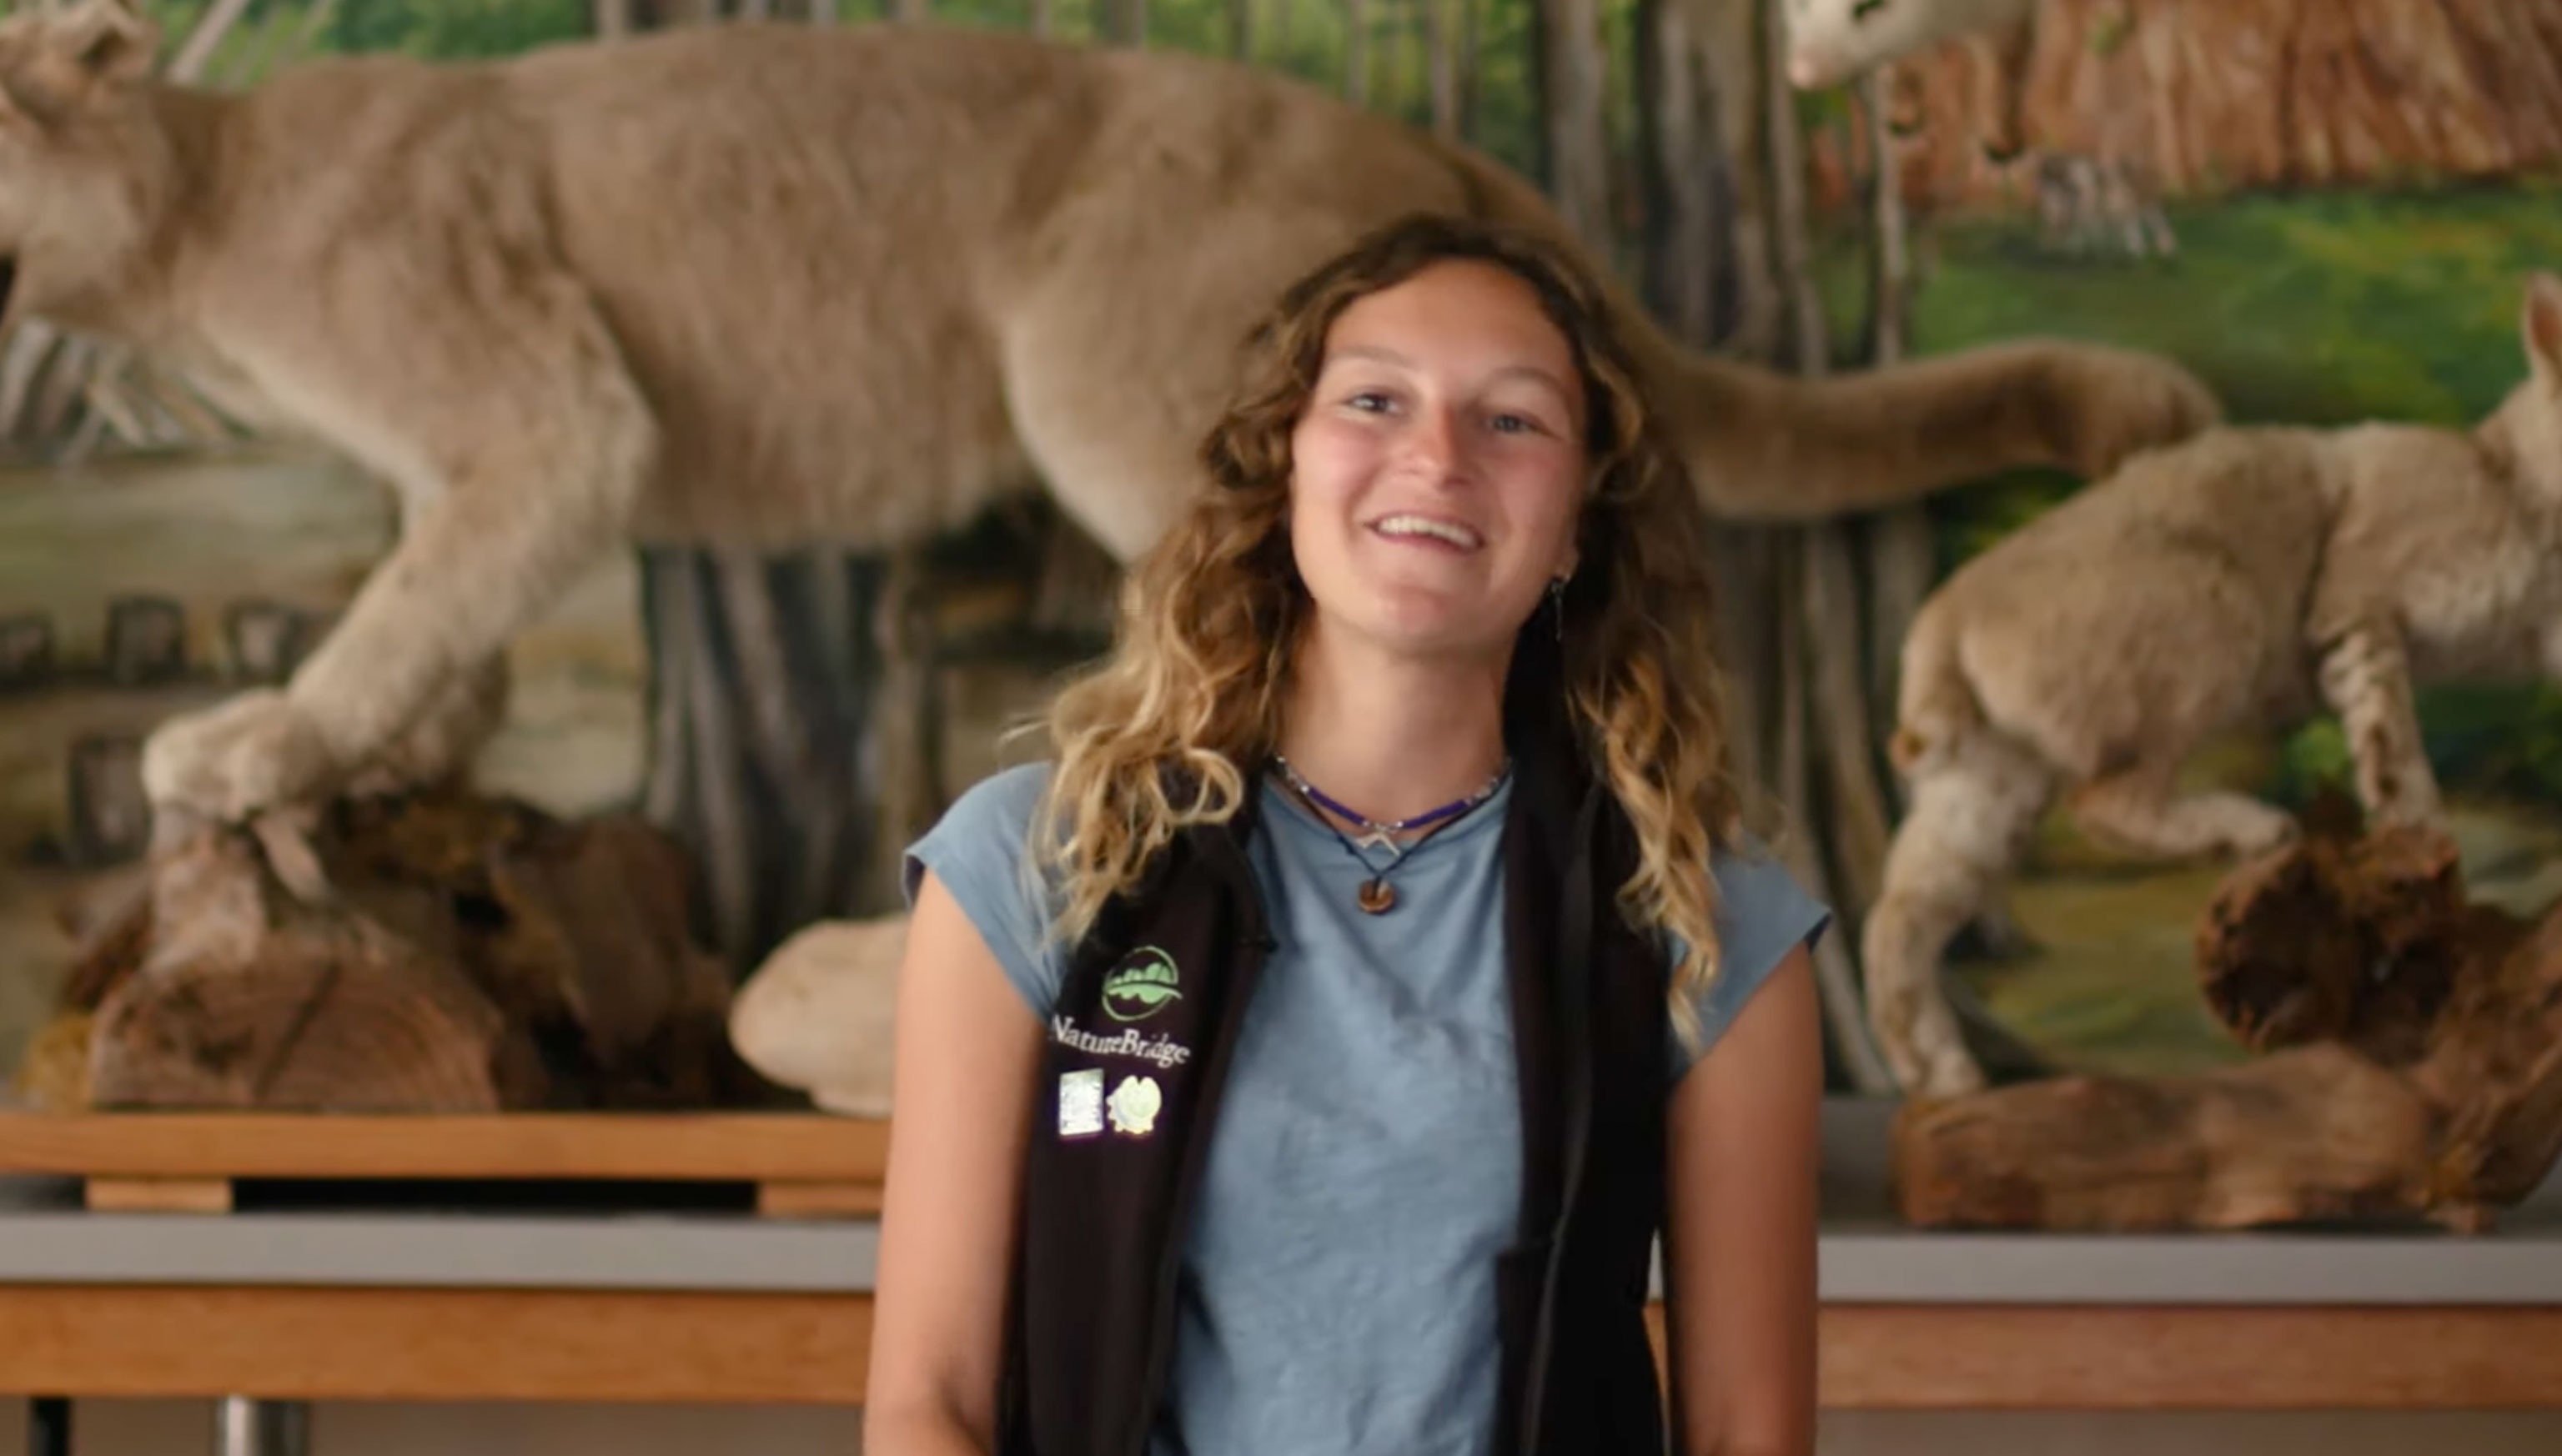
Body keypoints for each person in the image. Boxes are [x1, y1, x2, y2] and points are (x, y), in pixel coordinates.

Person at [863, 213, 1830, 1456]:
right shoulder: (1034, 862)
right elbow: (926, 1407)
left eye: (1514, 418)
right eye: (1376, 400)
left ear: (1578, 525)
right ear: (1284, 469)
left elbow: (1749, 1433)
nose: (1438, 457)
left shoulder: (1710, 919)